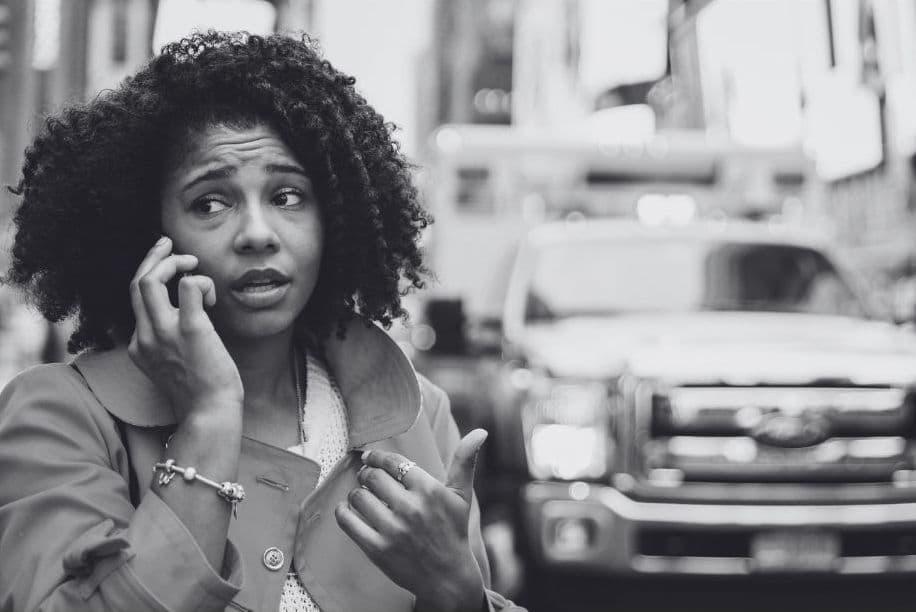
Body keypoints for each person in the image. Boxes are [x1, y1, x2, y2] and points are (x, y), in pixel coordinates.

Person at [0, 31, 524, 612]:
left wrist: (458, 592)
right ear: (146, 234)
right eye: (211, 202)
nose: (257, 232)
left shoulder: (417, 417)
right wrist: (209, 417)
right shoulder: (59, 415)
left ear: (334, 217)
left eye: (288, 195)